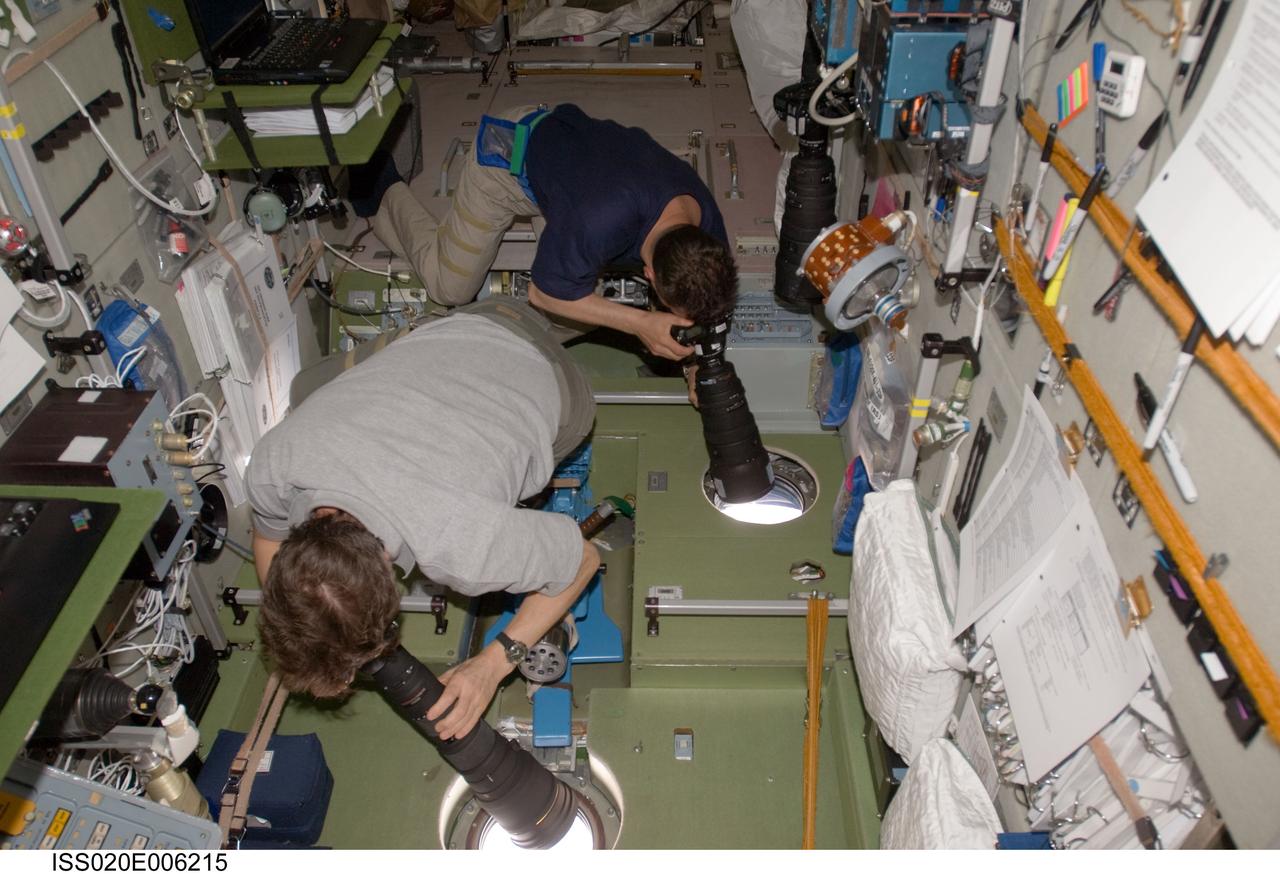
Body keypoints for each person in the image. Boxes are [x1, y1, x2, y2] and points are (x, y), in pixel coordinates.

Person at [247, 299, 599, 741]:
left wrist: (493, 665)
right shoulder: (274, 459)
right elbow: (268, 542)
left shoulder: (462, 547)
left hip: (556, 379)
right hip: (463, 322)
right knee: (304, 387)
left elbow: (583, 559)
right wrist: (300, 621)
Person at [349, 102, 738, 361]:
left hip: (579, 175)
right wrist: (640, 323)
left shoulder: (705, 229)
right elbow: (544, 292)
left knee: (587, 310)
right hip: (507, 162)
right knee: (449, 287)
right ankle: (379, 187)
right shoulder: (599, 222)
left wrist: (697, 368)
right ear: (649, 275)